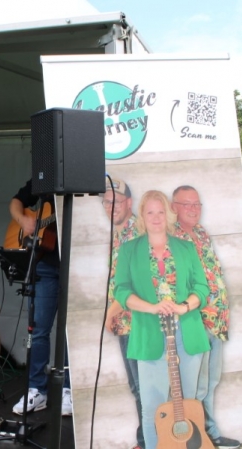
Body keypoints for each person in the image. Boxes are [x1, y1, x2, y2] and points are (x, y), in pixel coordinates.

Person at [113, 190, 210, 449]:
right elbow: (121, 291)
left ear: (168, 214)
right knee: (152, 409)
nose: (156, 217)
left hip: (187, 333)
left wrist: (183, 306)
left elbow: (202, 288)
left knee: (188, 407)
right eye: (150, 212)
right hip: (148, 334)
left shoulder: (186, 248)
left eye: (160, 211)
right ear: (142, 216)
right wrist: (153, 307)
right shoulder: (129, 250)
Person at [171, 186, 241, 449]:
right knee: (195, 386)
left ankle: (210, 433)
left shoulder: (201, 233)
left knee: (211, 382)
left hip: (217, 322)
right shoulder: (170, 238)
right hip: (193, 322)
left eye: (197, 204)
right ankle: (196, 437)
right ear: (174, 207)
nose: (193, 209)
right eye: (187, 204)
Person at [9, 179, 73, 416]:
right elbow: (17, 201)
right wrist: (23, 220)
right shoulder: (46, 175)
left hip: (76, 262)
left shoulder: (84, 173)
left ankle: (69, 389)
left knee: (71, 332)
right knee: (37, 330)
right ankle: (37, 390)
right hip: (44, 262)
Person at [101, 178, 144, 449]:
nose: (111, 205)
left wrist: (109, 314)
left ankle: (150, 442)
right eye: (107, 201)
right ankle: (147, 441)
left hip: (137, 322)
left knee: (143, 387)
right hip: (127, 322)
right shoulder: (119, 232)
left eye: (117, 200)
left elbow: (134, 283)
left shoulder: (135, 232)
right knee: (139, 387)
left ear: (129, 202)